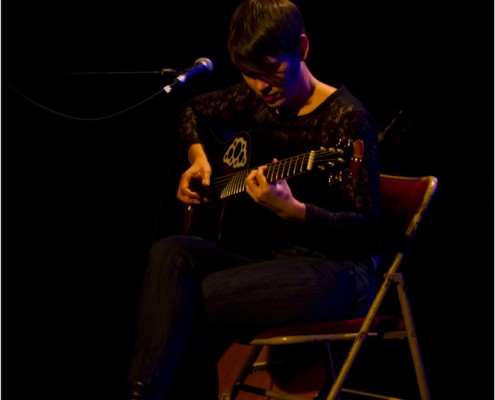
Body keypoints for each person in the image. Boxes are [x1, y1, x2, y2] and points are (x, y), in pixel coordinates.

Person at [127, 0, 381, 398]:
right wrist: (197, 159)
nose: (262, 86)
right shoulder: (255, 100)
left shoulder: (347, 119)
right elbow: (191, 110)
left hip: (335, 272)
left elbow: (366, 229)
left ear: (301, 48)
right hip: (265, 262)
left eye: (272, 70)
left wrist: (296, 212)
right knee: (170, 252)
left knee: (179, 304)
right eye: (250, 75)